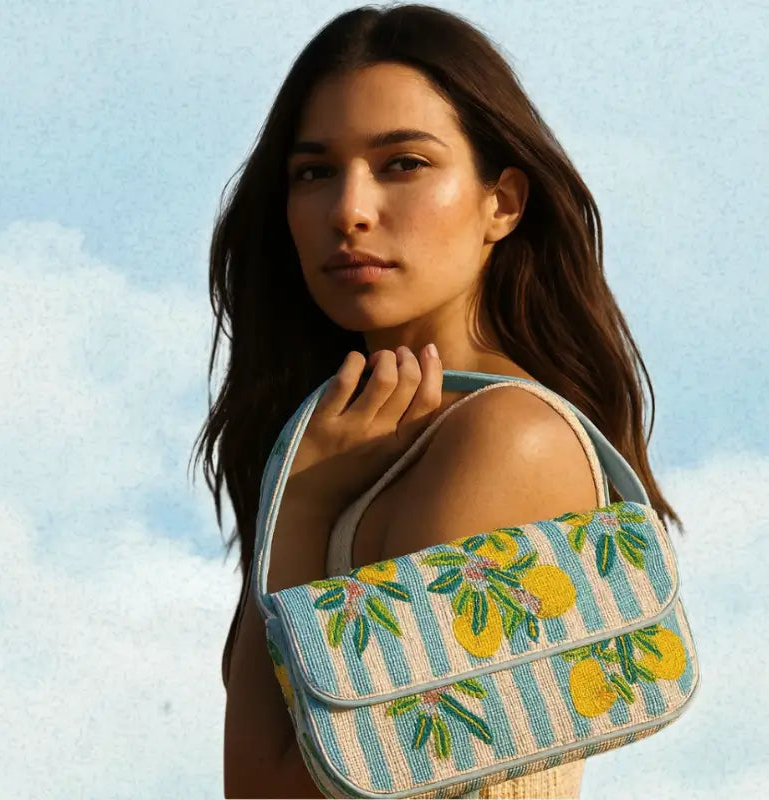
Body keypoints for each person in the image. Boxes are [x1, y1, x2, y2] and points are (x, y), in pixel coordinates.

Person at [194, 5, 684, 797]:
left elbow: (270, 791)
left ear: (504, 202)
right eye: (313, 172)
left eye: (404, 164)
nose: (348, 210)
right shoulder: (346, 443)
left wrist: (307, 507)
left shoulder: (507, 439)